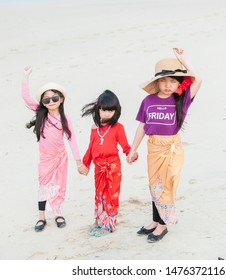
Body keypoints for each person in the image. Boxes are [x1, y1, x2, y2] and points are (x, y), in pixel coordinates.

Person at [127, 48, 202, 242]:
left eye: (172, 81)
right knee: (154, 185)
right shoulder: (148, 101)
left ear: (178, 83)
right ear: (157, 82)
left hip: (171, 149)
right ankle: (154, 220)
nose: (168, 85)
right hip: (153, 148)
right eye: (164, 80)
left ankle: (163, 225)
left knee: (166, 186)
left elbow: (198, 80)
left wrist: (183, 60)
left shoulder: (181, 100)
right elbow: (142, 126)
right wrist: (133, 149)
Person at [22, 66, 84, 232]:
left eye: (54, 97)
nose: (51, 101)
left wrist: (79, 162)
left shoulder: (65, 119)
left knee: (59, 185)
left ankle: (57, 213)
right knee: (43, 185)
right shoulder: (41, 113)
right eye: (46, 99)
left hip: (60, 157)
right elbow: (26, 98)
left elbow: (72, 140)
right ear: (42, 103)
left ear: (61, 99)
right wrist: (26, 77)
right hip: (45, 158)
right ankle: (41, 217)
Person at [80, 90, 138, 237]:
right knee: (99, 193)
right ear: (98, 109)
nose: (107, 114)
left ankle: (110, 221)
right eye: (104, 110)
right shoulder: (94, 128)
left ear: (116, 111)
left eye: (110, 111)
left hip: (113, 165)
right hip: (98, 166)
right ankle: (99, 219)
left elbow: (125, 146)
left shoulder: (118, 127)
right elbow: (91, 147)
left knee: (112, 193)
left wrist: (131, 154)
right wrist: (85, 164)